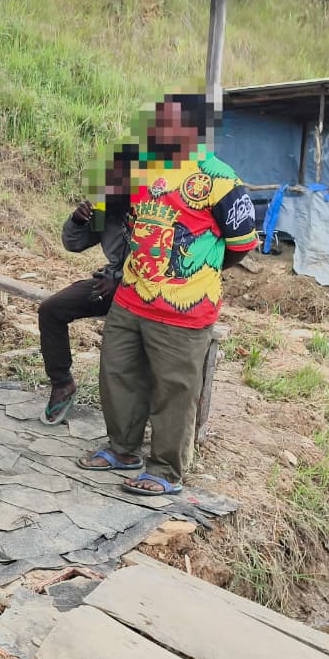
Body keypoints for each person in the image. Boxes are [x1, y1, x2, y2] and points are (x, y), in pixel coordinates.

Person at [79, 94, 257, 496]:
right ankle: (123, 449)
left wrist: (198, 270)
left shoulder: (221, 181)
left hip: (184, 309)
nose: (156, 130)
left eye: (167, 123)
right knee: (118, 375)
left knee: (174, 390)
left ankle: (165, 469)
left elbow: (243, 244)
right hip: (130, 298)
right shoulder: (141, 168)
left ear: (193, 132)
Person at [38, 143, 139, 425]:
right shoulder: (106, 207)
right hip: (109, 285)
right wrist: (78, 221)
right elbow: (74, 244)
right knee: (51, 309)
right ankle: (62, 383)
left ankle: (131, 419)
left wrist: (119, 280)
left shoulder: (151, 209)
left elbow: (153, 256)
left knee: (121, 349)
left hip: (146, 291)